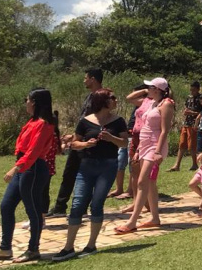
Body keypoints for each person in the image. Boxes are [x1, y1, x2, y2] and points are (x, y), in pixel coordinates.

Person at [53, 89, 129, 261]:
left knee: (96, 203)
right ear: (103, 101)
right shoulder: (85, 121)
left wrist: (111, 138)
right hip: (86, 167)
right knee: (78, 203)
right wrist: (86, 144)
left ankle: (91, 245)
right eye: (112, 97)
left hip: (107, 166)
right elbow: (74, 143)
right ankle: (68, 247)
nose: (115, 100)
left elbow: (124, 143)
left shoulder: (118, 121)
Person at [0, 88, 56, 263]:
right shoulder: (32, 121)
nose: (26, 102)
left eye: (27, 99)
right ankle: (5, 248)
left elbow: (34, 151)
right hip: (24, 167)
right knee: (6, 205)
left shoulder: (44, 124)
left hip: (34, 168)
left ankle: (33, 250)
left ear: (35, 102)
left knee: (33, 210)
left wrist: (15, 168)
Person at [115, 77, 175, 234]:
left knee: (142, 182)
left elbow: (164, 130)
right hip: (145, 145)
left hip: (155, 146)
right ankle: (155, 218)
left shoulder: (167, 104)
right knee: (150, 183)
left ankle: (132, 221)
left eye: (150, 86)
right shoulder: (153, 103)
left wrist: (157, 151)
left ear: (158, 89)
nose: (147, 88)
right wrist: (139, 149)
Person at [47, 68, 102, 217]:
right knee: (69, 173)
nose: (84, 80)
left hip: (89, 142)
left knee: (86, 175)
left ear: (93, 79)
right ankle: (60, 206)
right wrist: (73, 135)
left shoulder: (101, 97)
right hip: (78, 140)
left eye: (86, 78)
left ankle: (82, 207)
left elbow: (97, 120)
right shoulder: (88, 96)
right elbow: (83, 120)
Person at [121, 84, 150, 212]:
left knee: (144, 174)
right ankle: (135, 202)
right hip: (135, 138)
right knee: (133, 171)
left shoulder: (155, 103)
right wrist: (143, 90)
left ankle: (147, 203)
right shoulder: (143, 102)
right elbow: (128, 98)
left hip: (145, 139)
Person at [169, 81, 201, 172]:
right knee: (182, 144)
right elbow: (186, 109)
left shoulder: (201, 98)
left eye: (194, 90)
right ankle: (177, 165)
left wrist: (191, 113)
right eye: (191, 90)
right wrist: (186, 112)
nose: (192, 92)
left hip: (194, 124)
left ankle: (195, 164)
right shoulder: (189, 98)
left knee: (192, 145)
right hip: (186, 123)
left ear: (198, 89)